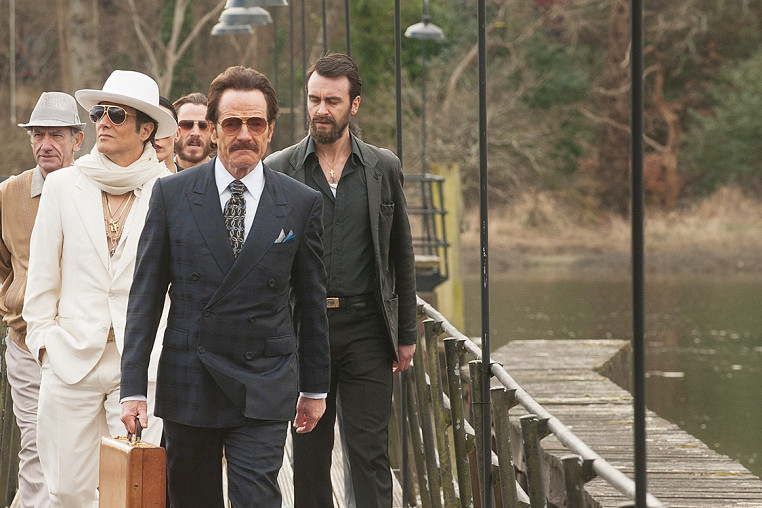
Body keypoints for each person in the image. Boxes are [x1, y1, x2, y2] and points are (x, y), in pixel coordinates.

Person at [120, 65, 330, 508]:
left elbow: (311, 303)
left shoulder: (300, 202)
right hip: (190, 380)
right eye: (232, 123)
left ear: (271, 129)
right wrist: (133, 387)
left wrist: (314, 388)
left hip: (264, 381)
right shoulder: (172, 195)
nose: (244, 135)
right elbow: (146, 297)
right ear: (214, 130)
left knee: (258, 498)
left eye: (255, 123)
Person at [265, 53, 417, 508]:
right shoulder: (280, 168)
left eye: (332, 101)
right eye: (314, 99)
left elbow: (401, 254)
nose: (320, 110)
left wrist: (406, 333)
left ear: (354, 105)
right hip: (304, 329)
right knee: (310, 455)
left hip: (368, 328)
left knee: (370, 453)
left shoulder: (382, 167)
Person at [22, 70, 176, 508]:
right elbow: (41, 277)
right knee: (66, 489)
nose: (102, 122)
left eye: (116, 114)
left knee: (134, 491)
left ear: (146, 130)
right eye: (97, 113)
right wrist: (44, 345)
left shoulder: (171, 190)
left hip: (143, 365)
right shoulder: (62, 186)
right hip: (70, 358)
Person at [0, 92, 85, 508]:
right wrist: (16, 300)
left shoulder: (92, 189)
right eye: (38, 135)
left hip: (82, 346)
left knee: (79, 450)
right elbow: (4, 263)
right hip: (26, 346)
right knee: (34, 447)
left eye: (56, 135)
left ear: (77, 140)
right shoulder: (8, 194)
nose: (45, 144)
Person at [172, 92, 213, 169]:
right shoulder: (156, 174)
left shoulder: (226, 175)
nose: (195, 133)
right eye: (186, 125)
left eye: (204, 126)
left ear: (213, 132)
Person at [155, 96, 179, 172]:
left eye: (164, 129)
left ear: (177, 134)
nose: (156, 137)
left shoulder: (191, 179)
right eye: (147, 129)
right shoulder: (124, 178)